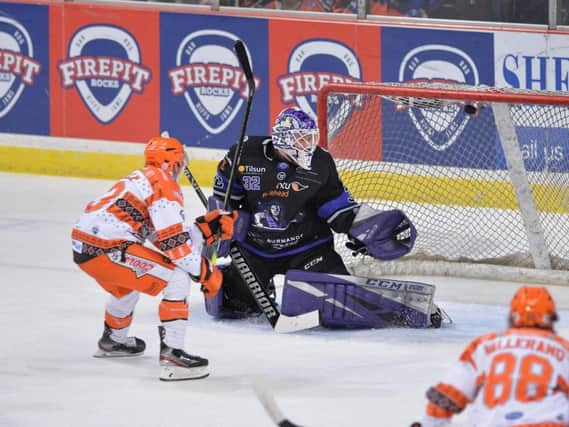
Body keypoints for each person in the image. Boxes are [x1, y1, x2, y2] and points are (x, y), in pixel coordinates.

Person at [208, 107, 417, 321]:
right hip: (256, 250)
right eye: (301, 139)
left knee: (339, 302)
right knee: (231, 304)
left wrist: (361, 228)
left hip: (308, 249)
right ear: (282, 138)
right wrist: (219, 228)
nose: (307, 145)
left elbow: (336, 205)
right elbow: (223, 200)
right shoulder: (244, 155)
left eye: (310, 139)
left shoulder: (320, 162)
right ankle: (247, 282)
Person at [71, 135, 237, 381]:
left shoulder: (141, 179)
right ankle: (173, 356)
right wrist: (207, 273)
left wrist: (202, 230)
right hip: (109, 247)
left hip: (84, 247)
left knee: (128, 284)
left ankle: (114, 340)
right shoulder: (164, 184)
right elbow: (176, 249)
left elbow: (161, 238)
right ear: (174, 162)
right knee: (176, 277)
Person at [416, 285, 569, 427]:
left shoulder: (484, 345)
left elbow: (446, 396)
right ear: (551, 316)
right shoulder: (563, 349)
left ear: (513, 314)